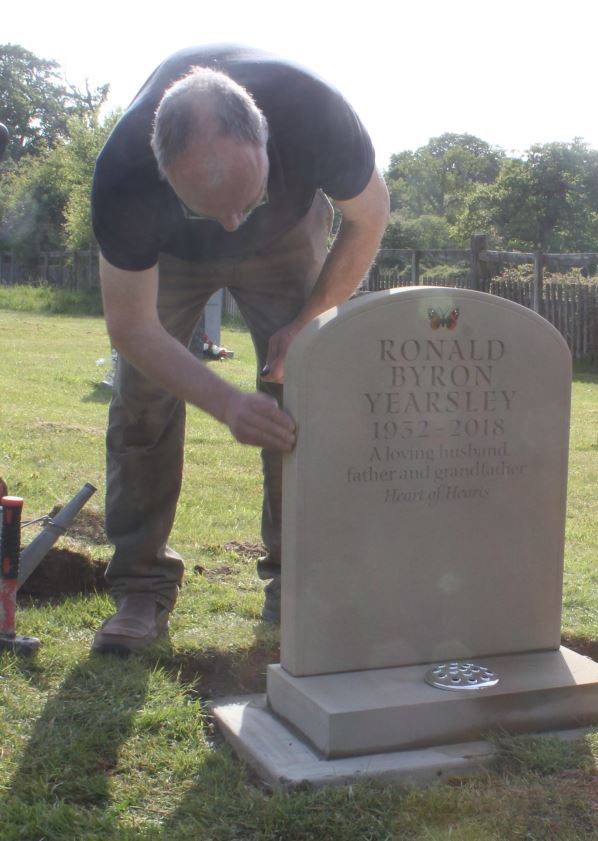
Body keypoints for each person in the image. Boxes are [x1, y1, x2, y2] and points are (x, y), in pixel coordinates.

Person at [89, 45, 389, 653]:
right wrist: (227, 403)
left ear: (268, 139)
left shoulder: (314, 113)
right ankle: (141, 587)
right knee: (142, 398)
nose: (231, 225)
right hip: (170, 258)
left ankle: (297, 581)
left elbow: (370, 216)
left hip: (288, 239)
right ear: (162, 166)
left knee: (299, 391)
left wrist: (308, 320)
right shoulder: (122, 172)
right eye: (209, 208)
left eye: (245, 201)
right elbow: (131, 327)